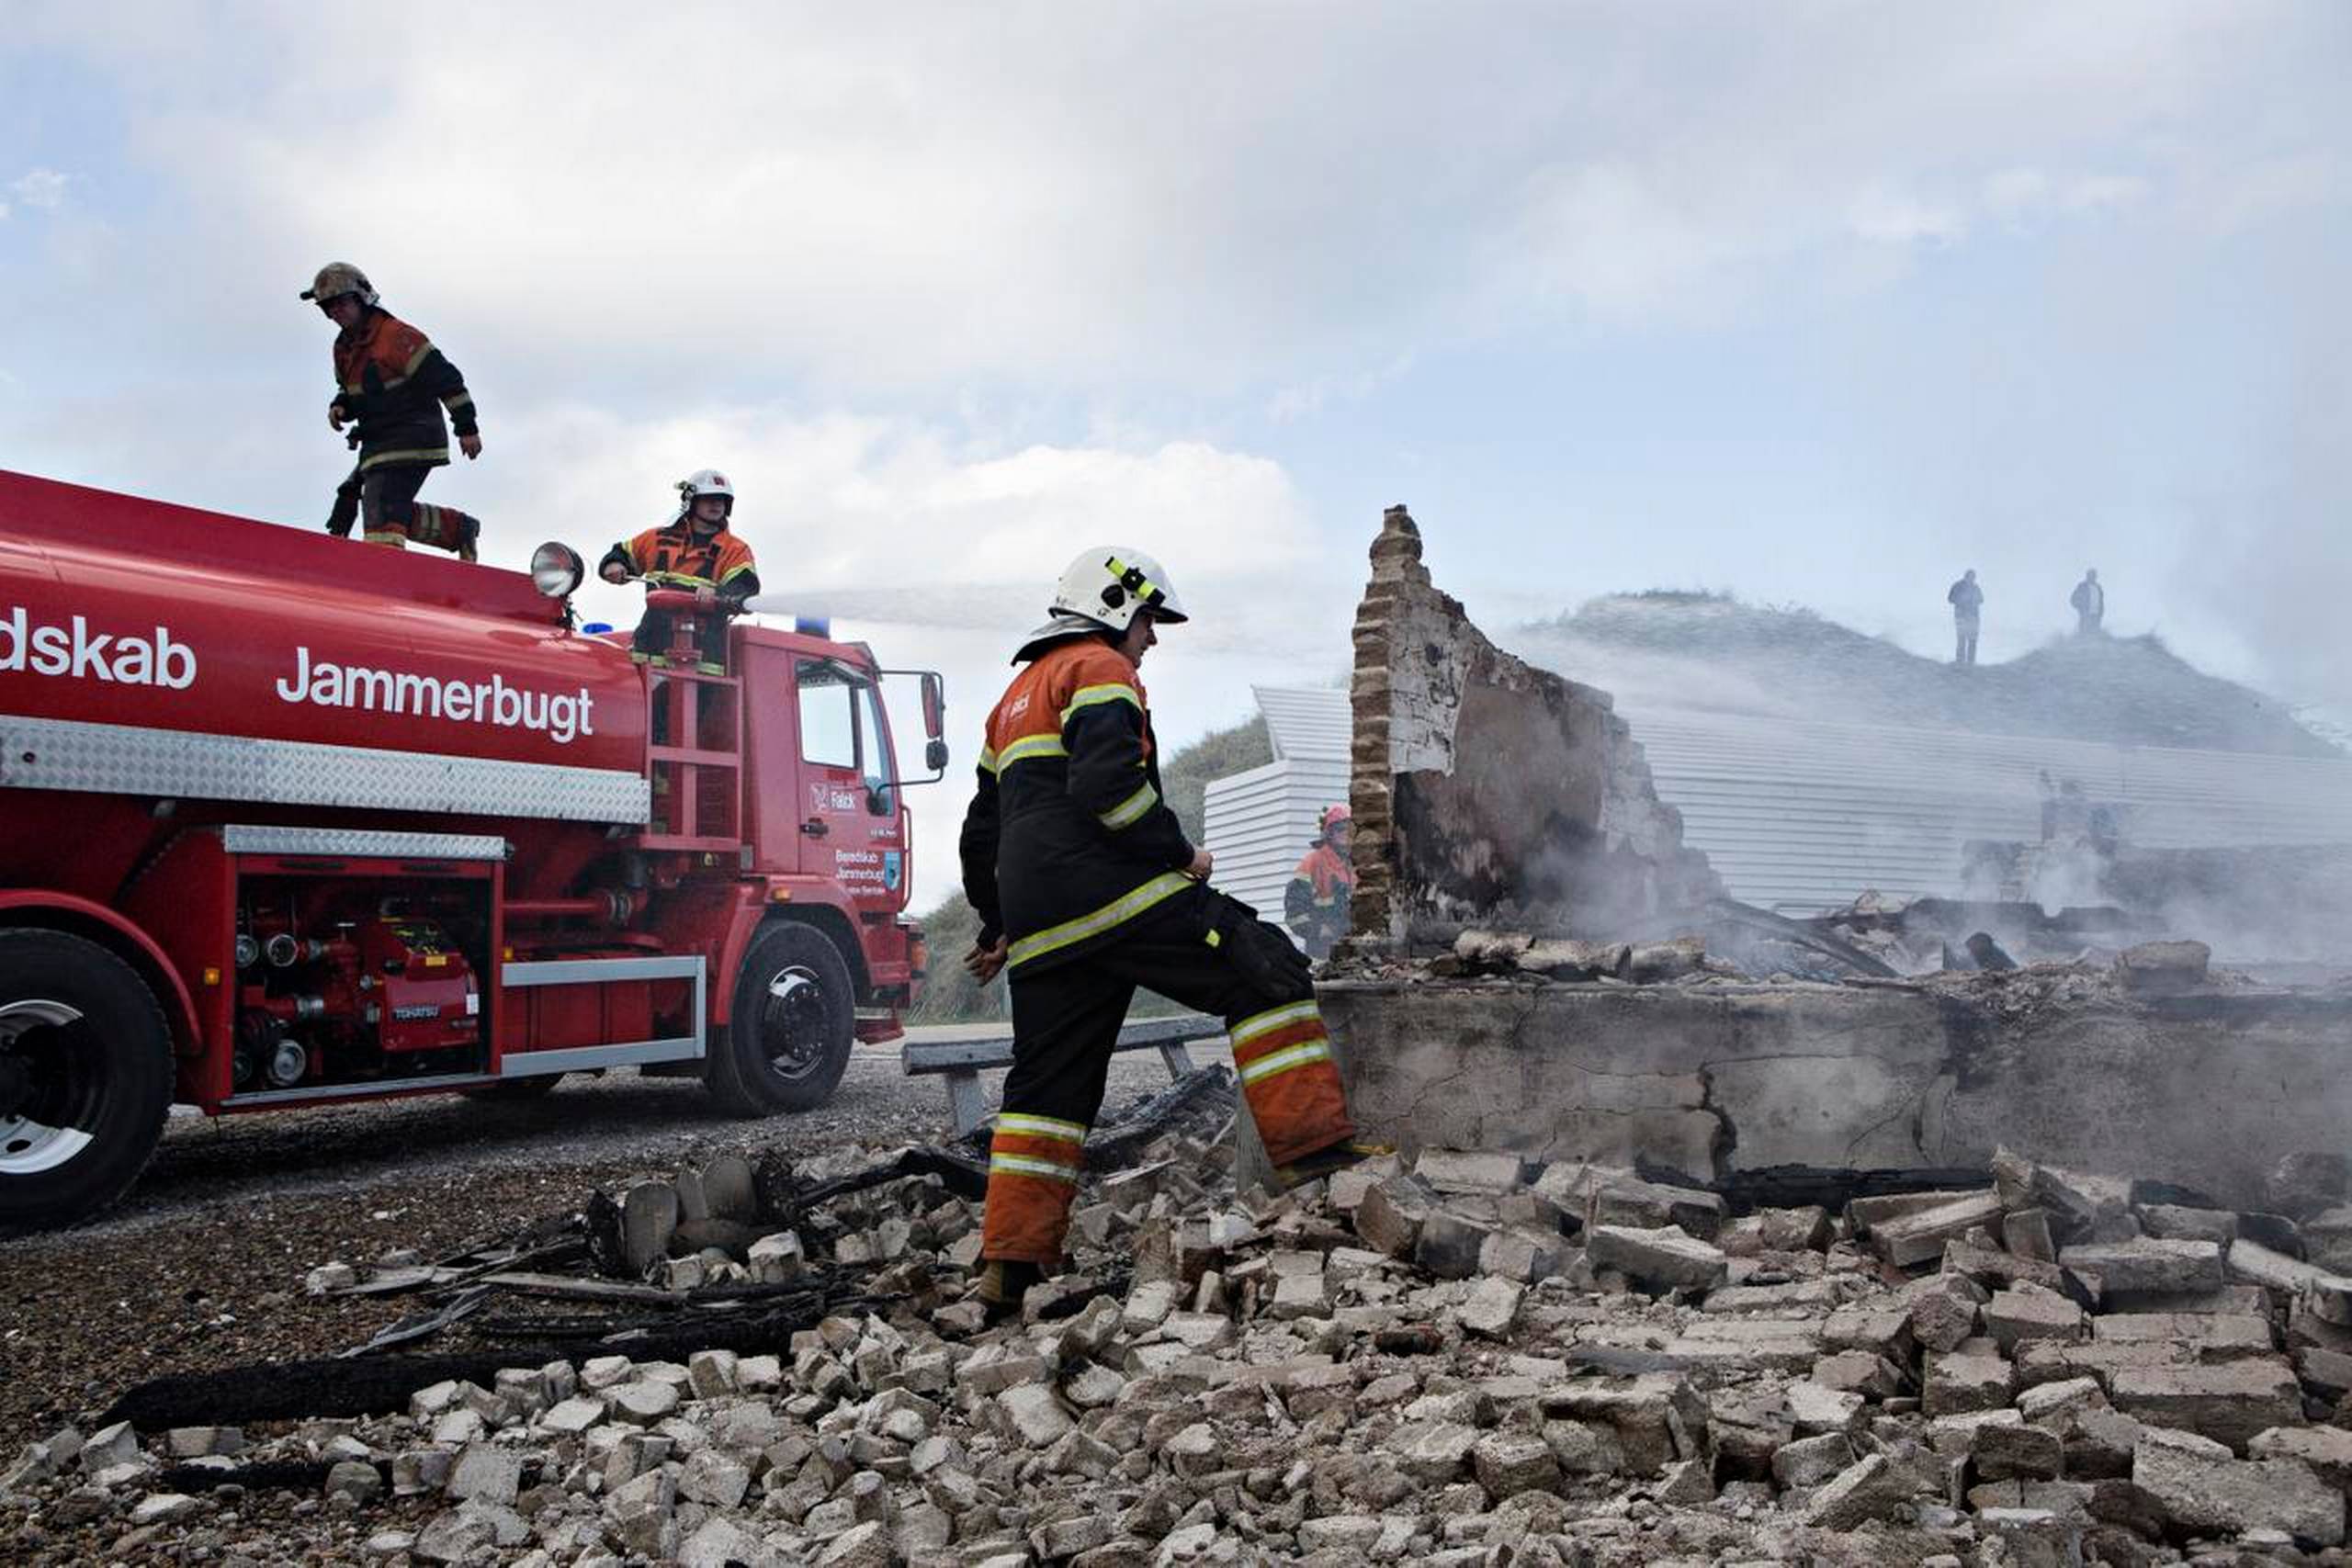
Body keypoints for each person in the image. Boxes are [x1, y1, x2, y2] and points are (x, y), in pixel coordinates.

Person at [957, 547, 1366, 1314]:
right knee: (1264, 963)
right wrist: (1185, 855)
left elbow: (982, 835)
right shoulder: (1098, 670)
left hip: (1044, 930)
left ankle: (1009, 1266)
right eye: (1148, 620)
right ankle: (1321, 1164)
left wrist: (1000, 922)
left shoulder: (1009, 702)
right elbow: (1108, 788)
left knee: (1046, 1091)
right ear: (1116, 606)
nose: (1153, 638)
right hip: (1119, 896)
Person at [303, 264, 483, 558]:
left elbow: (446, 379)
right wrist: (340, 406)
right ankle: (456, 529)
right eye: (328, 308)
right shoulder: (344, 349)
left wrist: (467, 428)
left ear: (362, 298)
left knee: (382, 504)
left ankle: (383, 568)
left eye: (342, 303)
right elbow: (353, 390)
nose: (336, 312)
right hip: (378, 441)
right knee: (388, 506)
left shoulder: (396, 337)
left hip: (413, 435)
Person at [597, 470, 761, 669]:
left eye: (722, 500)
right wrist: (614, 565)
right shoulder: (657, 539)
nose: (717, 504)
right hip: (650, 653)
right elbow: (621, 553)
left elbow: (746, 588)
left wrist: (718, 594)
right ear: (691, 501)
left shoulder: (734, 549)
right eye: (709, 498)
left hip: (702, 664)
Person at [1284, 804, 1355, 960]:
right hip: (1322, 950)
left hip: (1352, 947)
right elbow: (1294, 913)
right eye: (1340, 829)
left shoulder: (1353, 863)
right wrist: (1319, 930)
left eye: (1349, 829)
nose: (1346, 834)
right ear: (1329, 833)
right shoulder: (1313, 862)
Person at [1947, 569, 1984, 667]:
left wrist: (1972, 601)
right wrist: (1961, 601)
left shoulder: (1975, 587)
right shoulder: (1957, 586)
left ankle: (1971, 661)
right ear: (1966, 576)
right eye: (1970, 577)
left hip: (1973, 617)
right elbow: (1950, 599)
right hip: (1961, 616)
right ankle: (1960, 660)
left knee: (1972, 640)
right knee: (1961, 639)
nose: (1972, 579)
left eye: (1973, 577)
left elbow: (1981, 599)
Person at [2070, 569, 2105, 635]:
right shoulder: (2082, 586)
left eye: (2094, 575)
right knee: (2084, 629)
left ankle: (2094, 642)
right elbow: (2073, 598)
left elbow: (2101, 600)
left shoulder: (2098, 587)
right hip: (2085, 612)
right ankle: (2081, 642)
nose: (2093, 577)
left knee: (2095, 630)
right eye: (2091, 575)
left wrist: (2101, 611)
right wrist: (2080, 607)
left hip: (2096, 613)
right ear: (2087, 576)